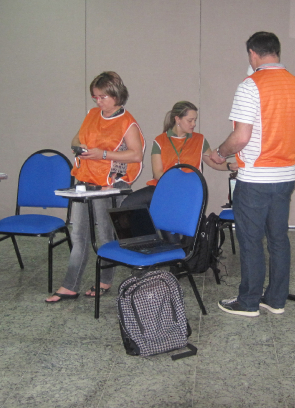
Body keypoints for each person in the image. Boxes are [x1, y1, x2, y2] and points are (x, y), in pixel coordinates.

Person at [210, 32, 295, 317]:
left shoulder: (250, 85)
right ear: (276, 51)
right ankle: (276, 300)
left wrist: (220, 153)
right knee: (278, 239)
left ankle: (249, 301)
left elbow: (241, 137)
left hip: (255, 179)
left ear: (252, 53)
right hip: (285, 175)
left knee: (251, 241)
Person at [45, 71, 144, 303]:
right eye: (95, 97)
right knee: (78, 234)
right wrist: (79, 148)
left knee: (105, 235)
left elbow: (136, 155)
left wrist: (103, 154)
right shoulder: (91, 115)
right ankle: (70, 286)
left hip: (108, 185)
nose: (98, 101)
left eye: (102, 97)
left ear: (116, 95)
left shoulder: (127, 122)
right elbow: (76, 139)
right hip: (85, 180)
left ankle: (105, 280)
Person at [121, 100, 237, 209]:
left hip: (188, 189)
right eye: (190, 120)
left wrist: (229, 166)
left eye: (195, 120)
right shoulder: (160, 140)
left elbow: (213, 162)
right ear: (177, 119)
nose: (194, 124)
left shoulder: (199, 139)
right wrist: (174, 185)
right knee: (128, 204)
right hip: (165, 187)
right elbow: (157, 173)